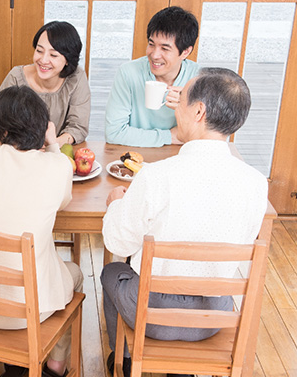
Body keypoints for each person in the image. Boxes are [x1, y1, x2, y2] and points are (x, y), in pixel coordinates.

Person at [100, 68, 268, 377]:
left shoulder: (156, 175)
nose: (176, 106)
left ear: (199, 111)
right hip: (211, 319)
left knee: (112, 272)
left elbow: (117, 242)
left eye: (182, 100)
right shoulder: (256, 183)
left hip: (154, 317)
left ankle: (122, 360)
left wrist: (116, 206)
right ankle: (181, 370)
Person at [0, 85, 84, 377]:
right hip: (25, 313)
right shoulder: (58, 165)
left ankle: (14, 365)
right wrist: (53, 144)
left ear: (4, 134)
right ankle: (55, 366)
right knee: (74, 274)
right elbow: (64, 201)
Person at [105, 6, 200, 147]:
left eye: (165, 48)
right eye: (151, 44)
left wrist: (187, 109)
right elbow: (114, 133)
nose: (154, 55)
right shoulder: (128, 73)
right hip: (135, 157)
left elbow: (208, 137)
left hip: (181, 159)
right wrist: (169, 136)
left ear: (185, 52)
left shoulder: (198, 79)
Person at [0, 21, 91, 146]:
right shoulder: (16, 77)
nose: (43, 60)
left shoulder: (76, 77)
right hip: (17, 153)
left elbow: (78, 127)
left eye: (53, 55)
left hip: (58, 153)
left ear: (68, 60)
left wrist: (53, 145)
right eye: (39, 51)